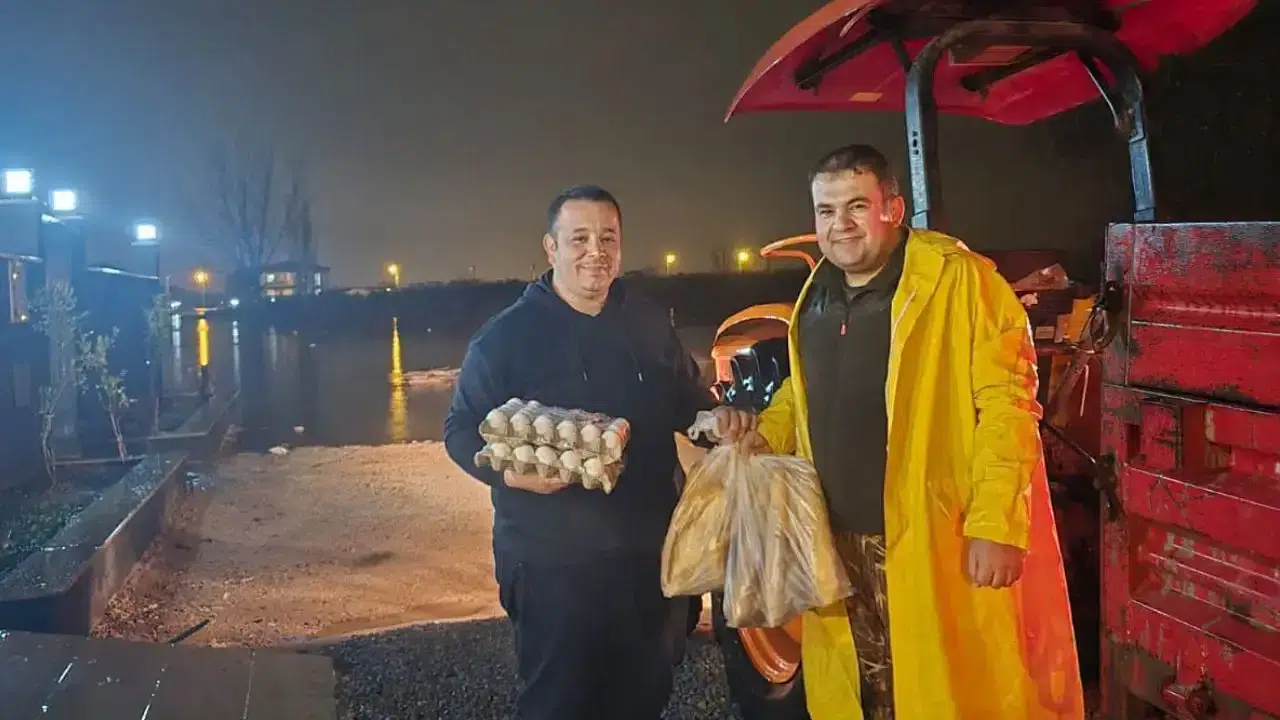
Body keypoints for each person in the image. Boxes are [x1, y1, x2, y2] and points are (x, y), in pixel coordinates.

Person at [751, 145, 1084, 719]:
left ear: (894, 209)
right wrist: (763, 434)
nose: (840, 224)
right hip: (834, 543)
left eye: (857, 206)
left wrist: (995, 525)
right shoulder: (817, 296)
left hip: (931, 541)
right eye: (826, 211)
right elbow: (805, 392)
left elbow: (1007, 404)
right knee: (862, 693)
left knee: (942, 691)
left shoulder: (957, 282)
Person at [444, 184, 755, 720]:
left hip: (649, 556)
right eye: (579, 239)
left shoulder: (647, 323)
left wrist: (717, 419)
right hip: (553, 564)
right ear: (551, 248)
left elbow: (689, 402)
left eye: (607, 238)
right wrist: (513, 477)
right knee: (560, 704)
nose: (596, 252)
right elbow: (459, 431)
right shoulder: (506, 339)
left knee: (645, 696)